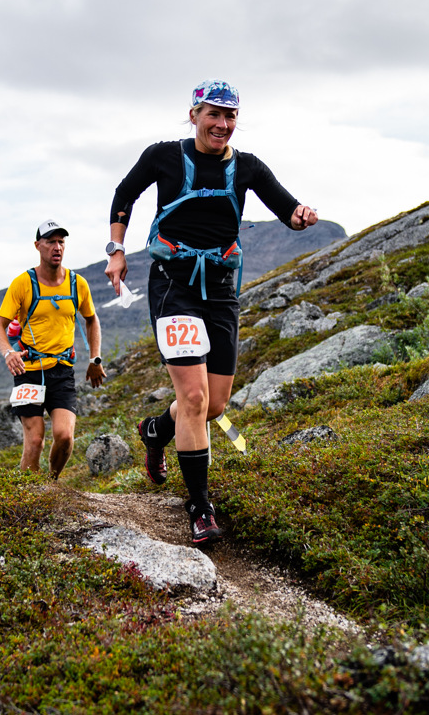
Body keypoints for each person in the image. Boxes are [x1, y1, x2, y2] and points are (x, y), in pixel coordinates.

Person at [104, 79, 319, 544]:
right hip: (174, 288)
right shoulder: (162, 155)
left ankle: (155, 430)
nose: (222, 125)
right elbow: (125, 194)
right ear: (194, 114)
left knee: (213, 405)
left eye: (230, 117)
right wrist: (115, 250)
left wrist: (301, 214)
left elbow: (285, 206)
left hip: (220, 290)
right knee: (196, 399)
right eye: (213, 115)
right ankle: (200, 507)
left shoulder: (248, 167)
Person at [0, 218, 106, 480]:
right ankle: (27, 497)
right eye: (51, 241)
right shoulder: (22, 283)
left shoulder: (77, 284)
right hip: (28, 370)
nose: (57, 247)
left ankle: (51, 483)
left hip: (62, 371)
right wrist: (9, 353)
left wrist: (95, 358)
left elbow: (91, 319)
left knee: (64, 436)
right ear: (37, 245)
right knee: (34, 442)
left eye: (61, 242)